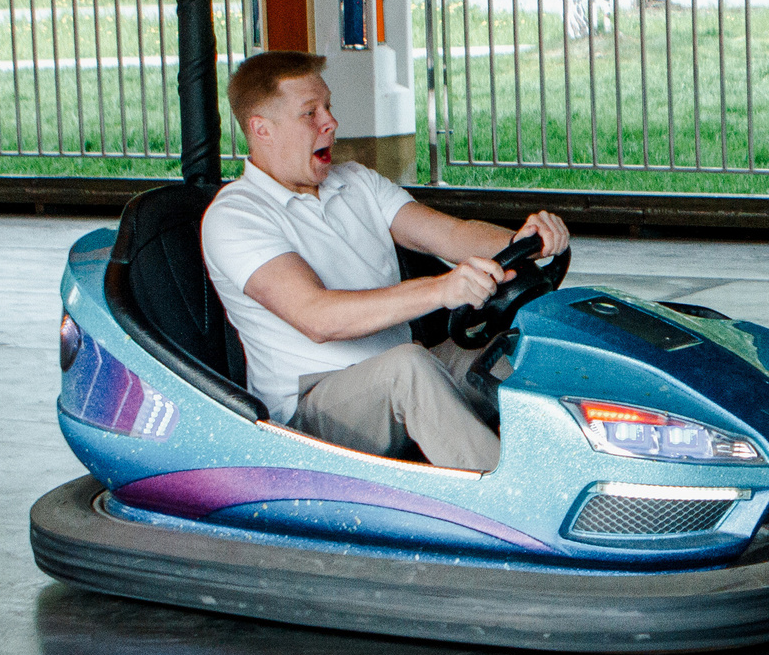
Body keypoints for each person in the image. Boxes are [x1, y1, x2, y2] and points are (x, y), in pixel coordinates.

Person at [203, 52, 570, 473]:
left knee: (523, 346)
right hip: (311, 411)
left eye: (329, 107)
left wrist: (524, 241)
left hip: (404, 371)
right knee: (408, 369)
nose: (331, 123)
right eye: (310, 113)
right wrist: (440, 289)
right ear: (261, 129)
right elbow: (317, 317)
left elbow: (450, 234)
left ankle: (596, 468)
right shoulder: (236, 215)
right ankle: (521, 514)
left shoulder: (355, 181)